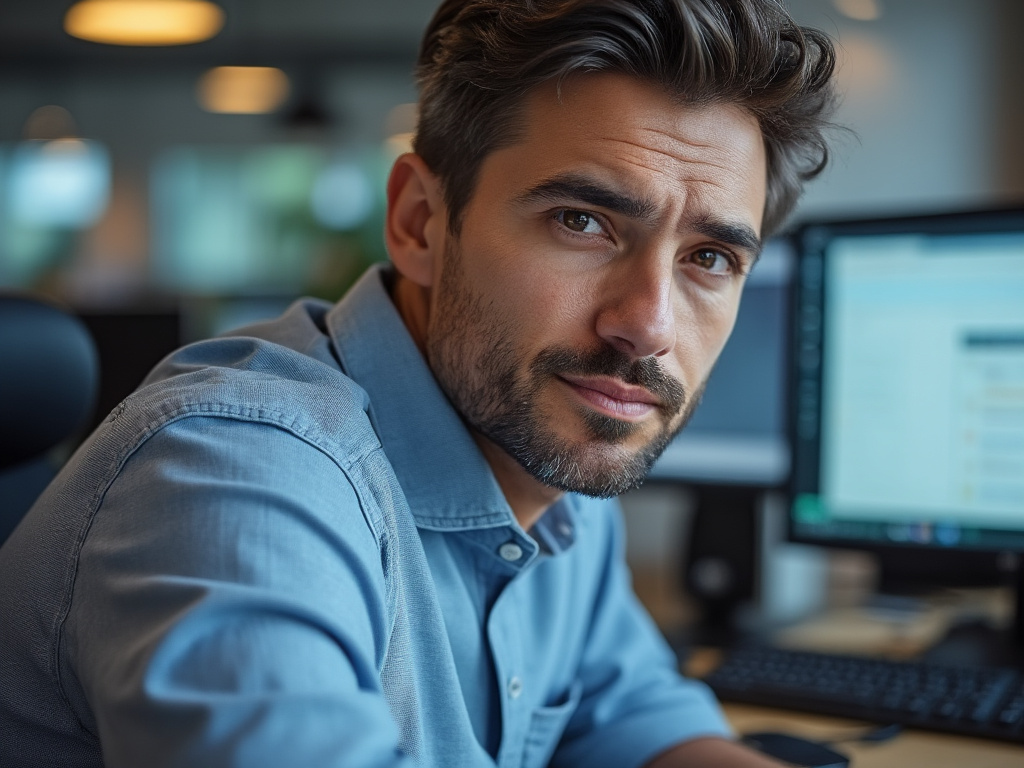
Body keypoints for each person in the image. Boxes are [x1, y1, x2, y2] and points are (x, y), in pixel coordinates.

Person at [0, 1, 837, 765]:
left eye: (710, 258)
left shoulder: (559, 452)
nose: (648, 326)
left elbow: (637, 723)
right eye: (582, 221)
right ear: (419, 223)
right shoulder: (233, 479)